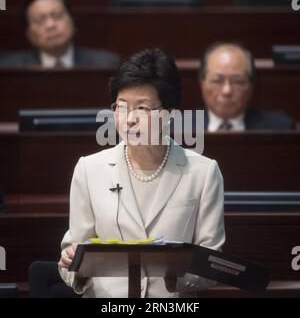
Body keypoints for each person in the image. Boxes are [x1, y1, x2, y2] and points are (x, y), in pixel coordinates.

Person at [58, 48, 225, 298]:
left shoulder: (203, 172)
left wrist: (175, 275)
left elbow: (212, 261)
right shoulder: (89, 169)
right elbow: (72, 258)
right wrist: (74, 265)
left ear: (170, 114)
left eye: (143, 108)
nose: (130, 119)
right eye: (121, 107)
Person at [0, 0, 120, 68]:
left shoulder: (105, 64)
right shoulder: (11, 67)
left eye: (57, 16)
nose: (50, 25)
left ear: (72, 21)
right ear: (29, 33)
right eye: (40, 20)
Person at [199, 42, 295, 131]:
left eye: (237, 82)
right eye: (217, 81)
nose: (226, 91)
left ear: (251, 85)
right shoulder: (184, 125)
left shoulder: (278, 127)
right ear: (202, 84)